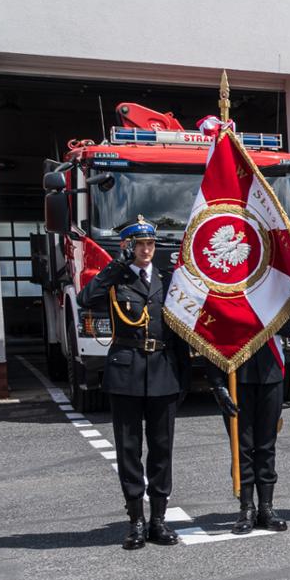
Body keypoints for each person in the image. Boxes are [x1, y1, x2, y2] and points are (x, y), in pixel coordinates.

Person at [79, 217, 210, 549]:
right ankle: (136, 520)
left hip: (163, 372)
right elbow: (86, 299)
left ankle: (158, 520)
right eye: (140, 245)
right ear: (128, 248)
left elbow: (179, 333)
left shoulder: (166, 283)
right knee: (129, 450)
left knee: (162, 451)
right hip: (126, 373)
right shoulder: (116, 281)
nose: (146, 250)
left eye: (150, 244)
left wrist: (183, 377)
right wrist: (114, 268)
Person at [229, 318, 290, 535]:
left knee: (267, 445)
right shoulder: (232, 291)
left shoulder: (275, 292)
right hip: (238, 371)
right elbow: (217, 335)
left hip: (271, 371)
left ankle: (266, 507)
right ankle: (247, 508)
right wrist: (216, 382)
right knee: (243, 446)